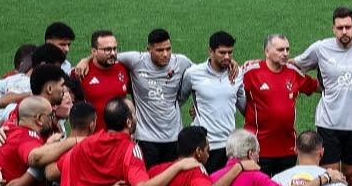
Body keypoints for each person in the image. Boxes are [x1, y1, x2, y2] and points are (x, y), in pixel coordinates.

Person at [294, 8, 352, 186]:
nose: (344, 32)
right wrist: (315, 86)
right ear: (333, 29)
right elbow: (295, 66)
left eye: (348, 27)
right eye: (340, 27)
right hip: (328, 123)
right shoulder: (320, 48)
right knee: (331, 176)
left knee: (351, 176)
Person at [241, 34, 319, 176]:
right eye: (280, 50)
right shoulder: (250, 72)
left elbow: (316, 86)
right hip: (259, 147)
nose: (285, 54)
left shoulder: (293, 72)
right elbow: (227, 88)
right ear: (266, 52)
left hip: (287, 148)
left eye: (287, 50)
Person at [115, 29, 194, 166]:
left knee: (171, 182)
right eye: (159, 50)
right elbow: (108, 55)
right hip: (145, 138)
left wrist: (231, 64)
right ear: (148, 49)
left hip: (174, 136)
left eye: (168, 49)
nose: (165, 54)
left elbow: (202, 74)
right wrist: (86, 60)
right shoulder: (136, 60)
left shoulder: (180, 62)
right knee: (149, 181)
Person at [177, 31, 244, 172]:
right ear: (210, 51)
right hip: (205, 146)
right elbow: (179, 101)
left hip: (229, 146)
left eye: (230, 53)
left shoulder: (237, 74)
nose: (227, 57)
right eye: (222, 52)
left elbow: (244, 107)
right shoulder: (193, 74)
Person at [79, 31, 131, 127]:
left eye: (114, 49)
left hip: (120, 137)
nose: (112, 53)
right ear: (94, 51)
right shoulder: (81, 72)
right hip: (94, 138)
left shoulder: (123, 68)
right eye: (107, 49)